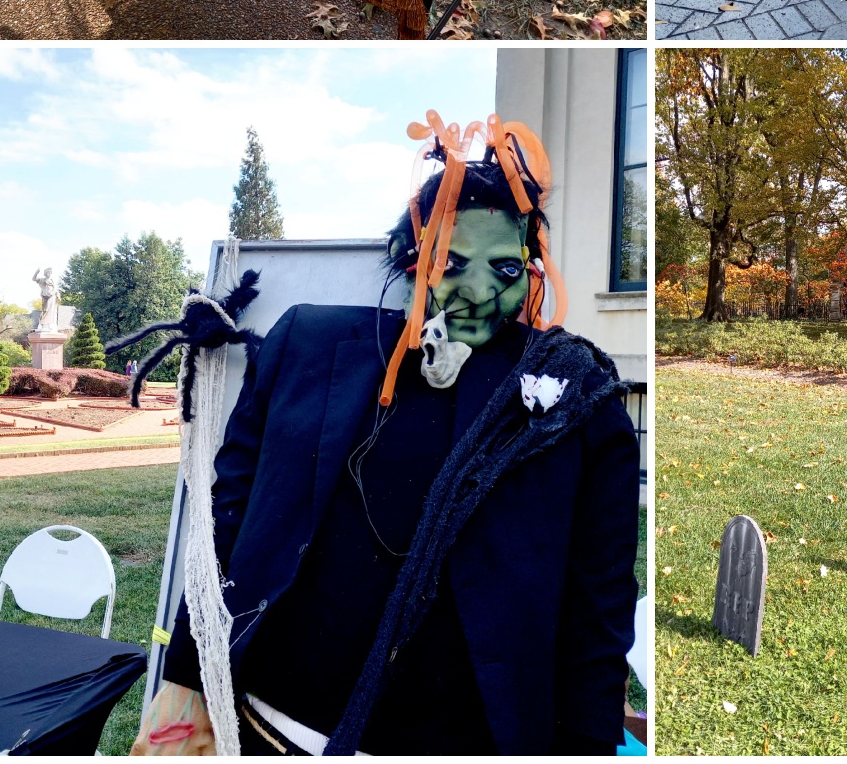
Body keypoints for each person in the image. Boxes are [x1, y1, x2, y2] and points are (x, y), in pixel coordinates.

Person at [133, 113, 639, 756]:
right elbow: (223, 527)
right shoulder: (305, 346)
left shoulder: (580, 401)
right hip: (268, 727)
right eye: (452, 262)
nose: (479, 290)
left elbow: (597, 619)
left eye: (505, 271)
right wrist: (184, 689)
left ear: (532, 269)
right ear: (412, 256)